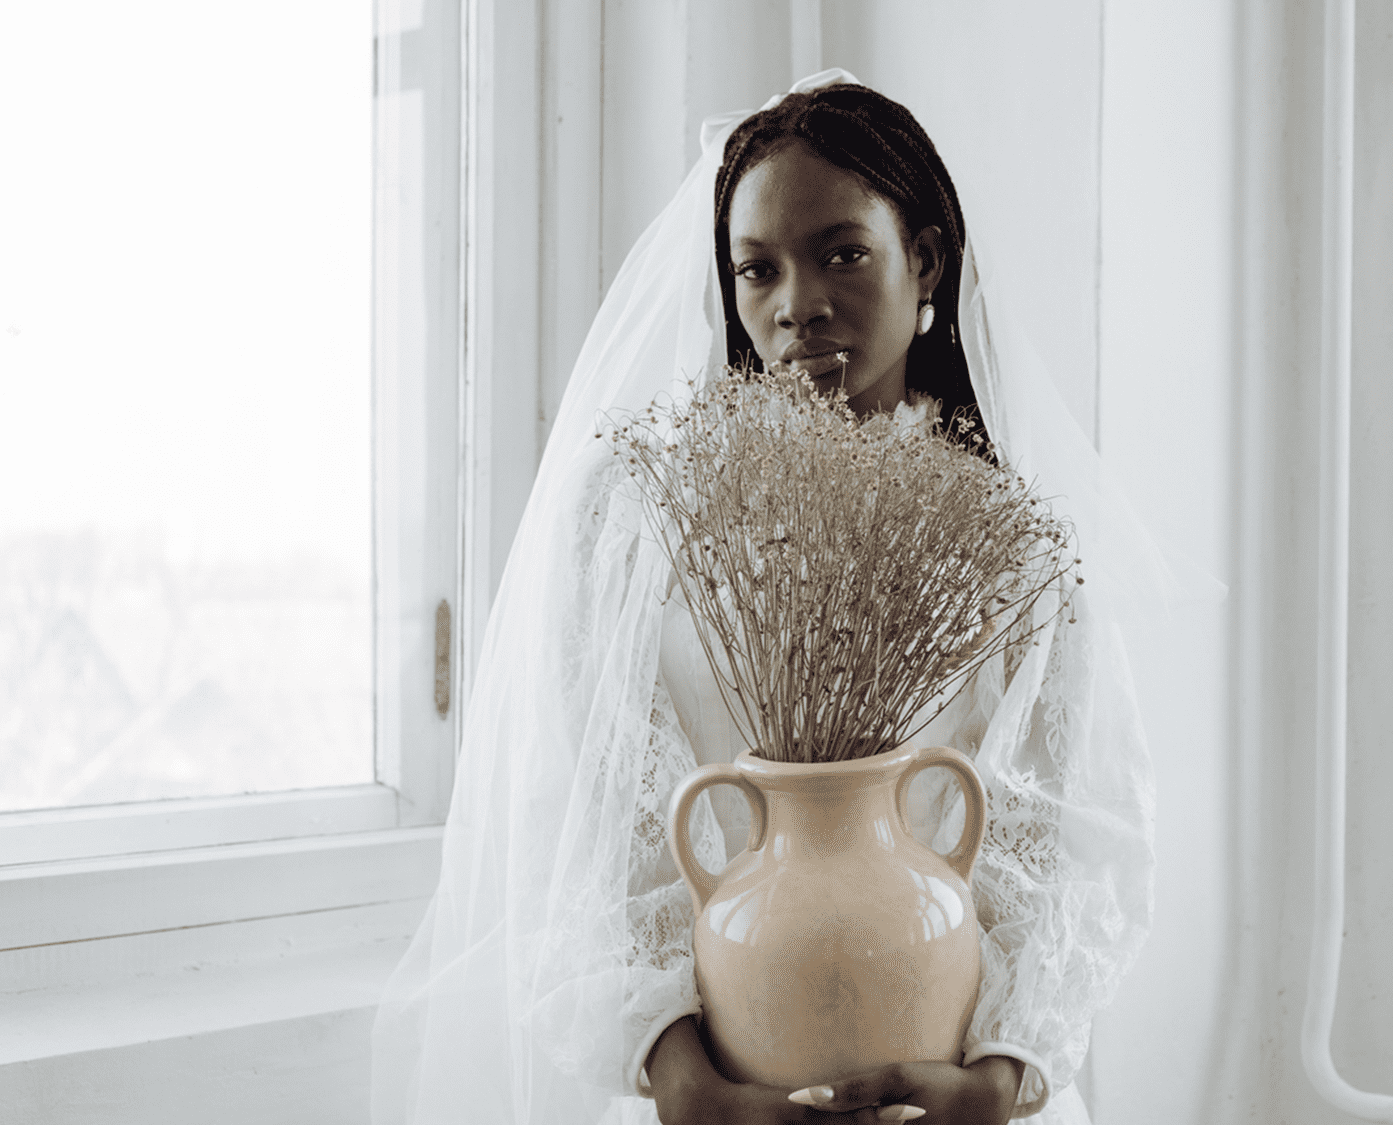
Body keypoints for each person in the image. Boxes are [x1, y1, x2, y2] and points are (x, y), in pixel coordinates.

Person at [372, 70, 1165, 1125]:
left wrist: (1001, 1072)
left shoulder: (1011, 536)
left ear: (924, 258)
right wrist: (682, 1078)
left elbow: (1078, 832)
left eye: (843, 253)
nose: (797, 305)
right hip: (713, 1087)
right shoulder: (638, 523)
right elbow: (574, 813)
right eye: (757, 270)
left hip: (944, 1078)